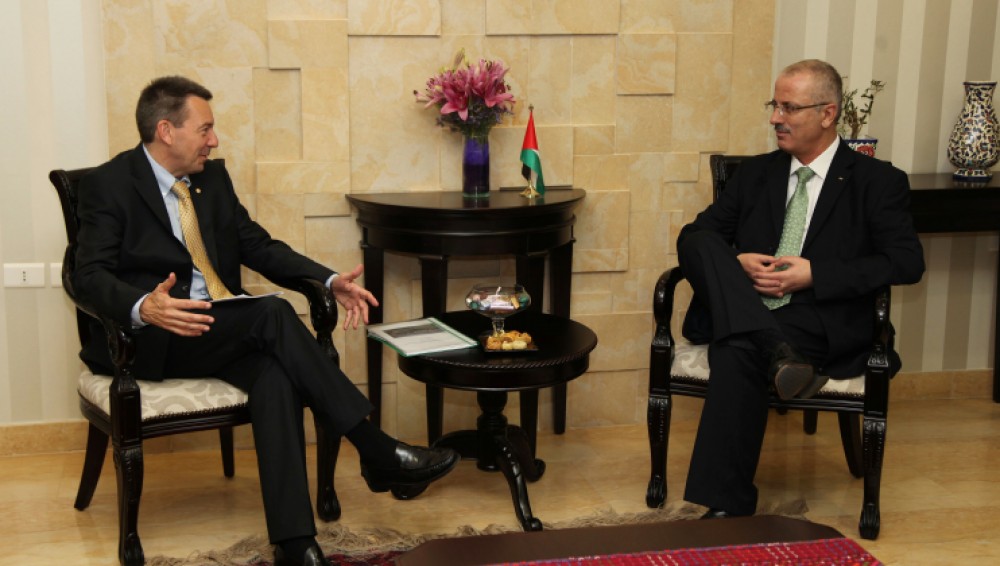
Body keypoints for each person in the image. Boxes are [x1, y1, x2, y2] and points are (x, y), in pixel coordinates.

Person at [73, 76, 459, 566]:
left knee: (274, 375)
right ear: (166, 131)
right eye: (206, 129)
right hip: (152, 335)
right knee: (273, 312)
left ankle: (295, 543)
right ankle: (374, 449)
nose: (214, 140)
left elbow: (256, 244)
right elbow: (86, 277)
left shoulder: (211, 178)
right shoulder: (109, 184)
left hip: (215, 324)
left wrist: (329, 279)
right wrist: (142, 305)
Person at [675, 59, 925, 519]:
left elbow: (906, 262)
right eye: (775, 105)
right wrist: (736, 262)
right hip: (749, 302)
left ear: (827, 114)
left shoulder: (878, 182)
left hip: (817, 313)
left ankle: (726, 510)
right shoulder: (756, 174)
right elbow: (695, 238)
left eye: (788, 108)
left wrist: (815, 274)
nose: (775, 118)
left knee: (735, 346)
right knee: (702, 242)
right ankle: (776, 350)